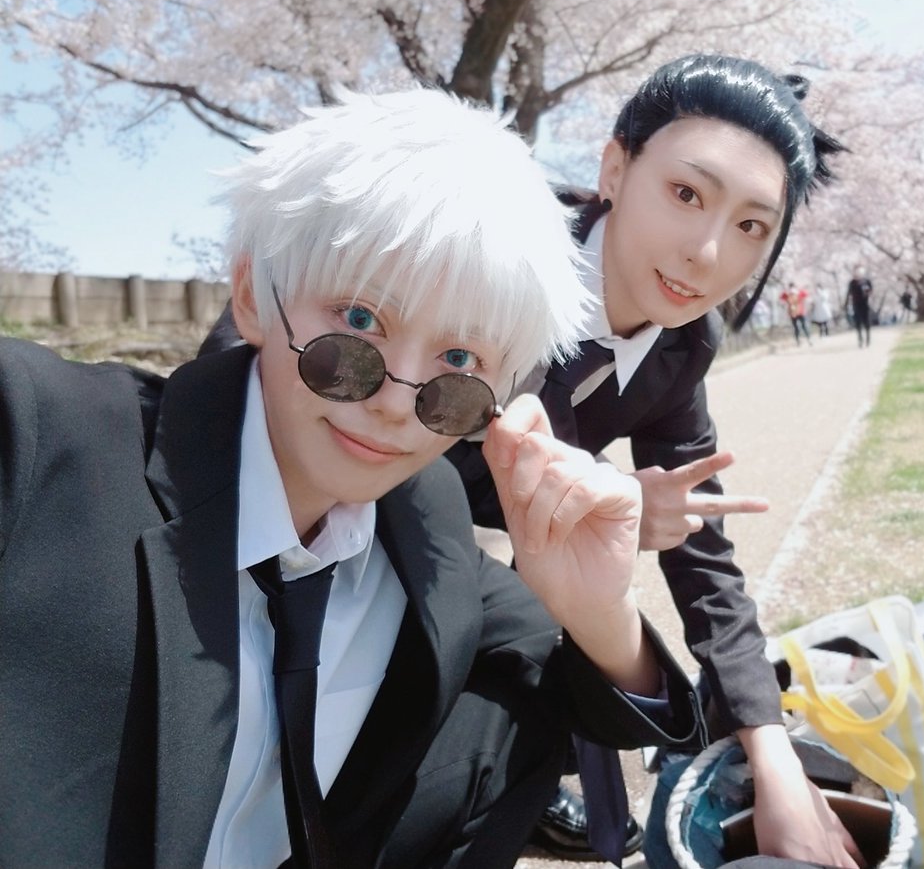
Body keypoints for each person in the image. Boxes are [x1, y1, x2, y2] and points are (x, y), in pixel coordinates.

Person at [0, 89, 704, 869]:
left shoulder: (421, 514)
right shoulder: (38, 437)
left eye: (458, 363)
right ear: (253, 297)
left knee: (510, 716)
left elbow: (588, 693)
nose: (397, 403)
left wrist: (601, 608)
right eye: (360, 323)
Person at [447, 54, 862, 868]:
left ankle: (525, 777)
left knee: (587, 616)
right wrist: (602, 497)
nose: (707, 252)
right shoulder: (493, 258)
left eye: (751, 226)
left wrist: (771, 747)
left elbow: (701, 545)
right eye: (685, 193)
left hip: (468, 539)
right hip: (328, 508)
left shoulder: (685, 342)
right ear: (614, 168)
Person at [845, 267, 874, 347]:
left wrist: (867, 293)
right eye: (856, 273)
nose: (857, 274)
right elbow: (849, 293)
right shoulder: (852, 283)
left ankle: (868, 338)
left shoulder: (866, 281)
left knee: (866, 322)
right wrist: (846, 303)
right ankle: (860, 339)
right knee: (858, 322)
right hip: (856, 304)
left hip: (865, 304)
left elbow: (871, 291)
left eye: (859, 273)